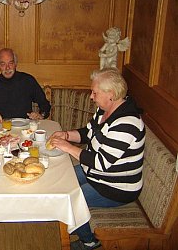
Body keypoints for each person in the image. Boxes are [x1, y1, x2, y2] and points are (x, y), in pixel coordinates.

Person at [47, 68, 145, 250]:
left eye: (95, 92)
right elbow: (87, 133)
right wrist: (66, 135)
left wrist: (68, 148)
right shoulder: (104, 110)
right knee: (59, 178)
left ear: (111, 94)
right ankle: (73, 223)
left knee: (70, 198)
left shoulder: (127, 124)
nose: (91, 97)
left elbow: (101, 163)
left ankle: (89, 241)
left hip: (115, 188)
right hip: (95, 174)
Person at [0, 48, 51, 123]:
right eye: (3, 64)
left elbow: (45, 104)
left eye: (10, 63)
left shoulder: (28, 80)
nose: (7, 68)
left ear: (15, 63)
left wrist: (40, 115)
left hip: (25, 129)